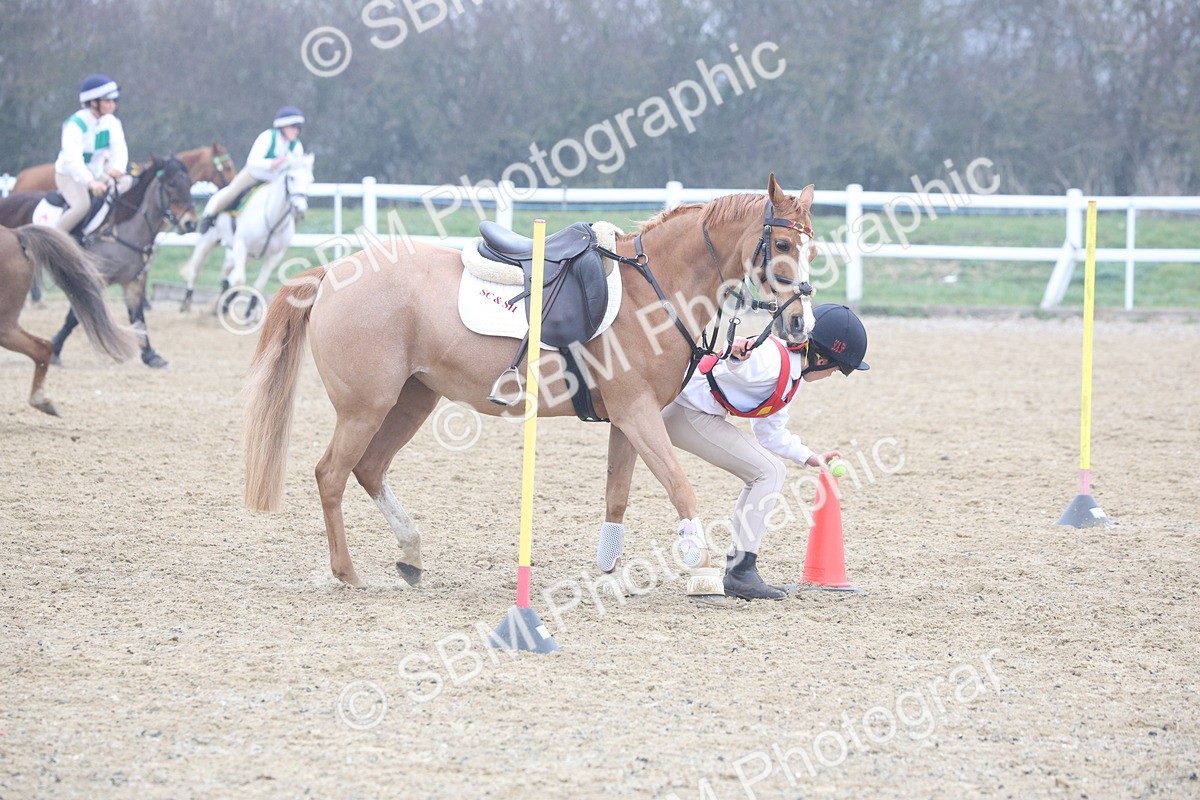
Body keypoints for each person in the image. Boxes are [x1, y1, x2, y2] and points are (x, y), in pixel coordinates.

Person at [666, 303, 870, 601]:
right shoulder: (773, 359)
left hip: (696, 414)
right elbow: (737, 365)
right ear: (821, 357)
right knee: (769, 471)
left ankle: (740, 569)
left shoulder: (792, 376)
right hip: (684, 412)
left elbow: (770, 432)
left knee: (768, 470)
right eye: (837, 367)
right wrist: (738, 357)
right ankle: (740, 572)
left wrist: (810, 457)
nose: (834, 373)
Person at [198, 106, 305, 233]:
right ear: (283, 127)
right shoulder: (267, 137)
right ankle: (210, 217)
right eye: (293, 127)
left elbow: (297, 168)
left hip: (275, 180)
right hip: (254, 175)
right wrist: (272, 164)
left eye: (298, 128)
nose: (296, 131)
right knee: (231, 193)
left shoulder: (297, 146)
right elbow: (252, 161)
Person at [53, 74, 130, 234]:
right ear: (93, 102)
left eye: (114, 101)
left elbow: (119, 148)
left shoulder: (112, 122)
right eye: (108, 101)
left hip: (96, 173)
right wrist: (90, 182)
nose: (113, 105)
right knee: (82, 206)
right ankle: (51, 242)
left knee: (127, 183)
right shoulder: (75, 125)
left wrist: (118, 168)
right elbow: (73, 160)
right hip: (70, 176)